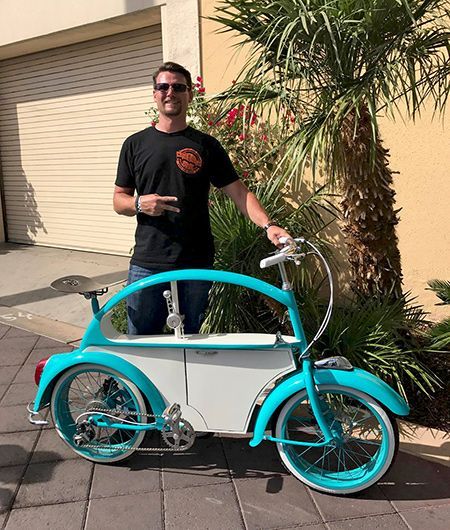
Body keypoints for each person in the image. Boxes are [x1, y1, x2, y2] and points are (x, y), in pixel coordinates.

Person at [114, 62, 291, 335]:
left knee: (190, 336)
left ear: (189, 95)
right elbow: (119, 200)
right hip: (148, 261)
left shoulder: (205, 145)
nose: (170, 92)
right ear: (154, 94)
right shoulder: (135, 145)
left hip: (196, 260)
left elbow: (239, 193)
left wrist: (269, 225)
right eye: (163, 87)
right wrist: (139, 203)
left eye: (178, 87)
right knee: (140, 341)